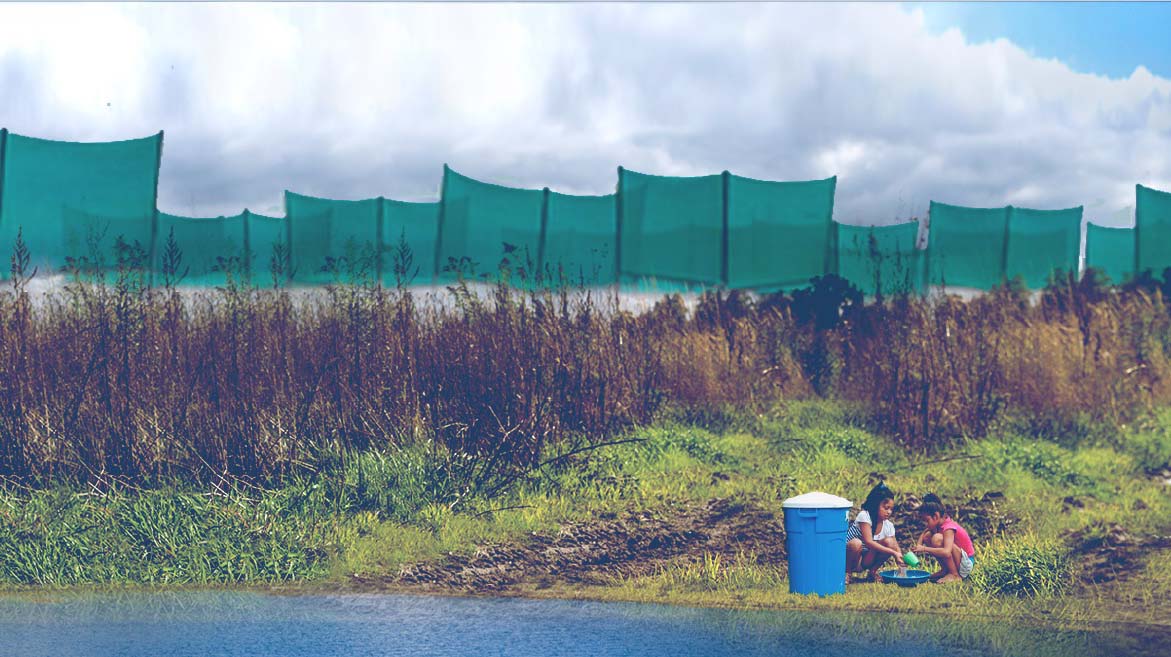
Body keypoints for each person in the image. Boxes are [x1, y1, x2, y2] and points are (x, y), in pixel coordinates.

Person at [846, 482, 902, 582]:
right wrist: (893, 553)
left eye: (891, 509)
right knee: (856, 543)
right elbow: (868, 542)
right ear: (876, 505)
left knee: (889, 542)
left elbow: (895, 547)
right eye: (886, 508)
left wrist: (902, 566)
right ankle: (847, 573)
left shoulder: (888, 526)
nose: (889, 512)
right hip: (850, 557)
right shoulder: (864, 516)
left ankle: (872, 572)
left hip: (866, 560)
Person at [913, 501, 976, 584]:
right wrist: (918, 547)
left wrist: (924, 548)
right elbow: (925, 534)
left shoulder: (948, 528)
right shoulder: (939, 524)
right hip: (960, 560)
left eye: (926, 521)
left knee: (937, 539)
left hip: (966, 564)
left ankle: (954, 574)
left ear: (935, 516)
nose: (925, 524)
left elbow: (946, 552)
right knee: (928, 536)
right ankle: (946, 570)